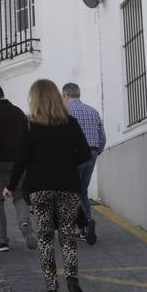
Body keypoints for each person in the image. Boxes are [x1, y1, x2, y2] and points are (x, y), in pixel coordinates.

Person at [6, 79, 93, 292]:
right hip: (68, 186)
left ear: (34, 99)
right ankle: (72, 280)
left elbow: (21, 160)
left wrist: (11, 185)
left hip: (40, 187)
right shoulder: (71, 123)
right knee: (67, 235)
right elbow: (85, 154)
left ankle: (52, 291)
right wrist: (64, 161)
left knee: (45, 239)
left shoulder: (28, 125)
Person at [0, 83, 36, 252]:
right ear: (3, 94)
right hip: (18, 163)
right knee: (18, 196)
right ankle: (25, 222)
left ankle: (2, 240)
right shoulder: (18, 112)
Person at [62, 82, 106, 245]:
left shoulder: (67, 111)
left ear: (66, 95)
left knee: (71, 191)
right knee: (82, 190)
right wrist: (96, 152)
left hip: (75, 155)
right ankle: (86, 226)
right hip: (92, 153)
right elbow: (103, 137)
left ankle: (85, 224)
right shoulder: (93, 111)